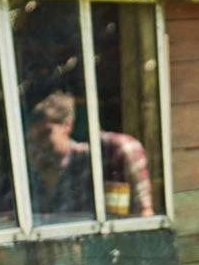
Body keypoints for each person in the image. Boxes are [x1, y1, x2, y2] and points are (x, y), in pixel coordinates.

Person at [24, 92, 153, 219]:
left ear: (67, 125)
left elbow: (144, 213)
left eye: (45, 134)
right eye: (32, 140)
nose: (39, 144)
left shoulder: (103, 156)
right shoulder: (34, 181)